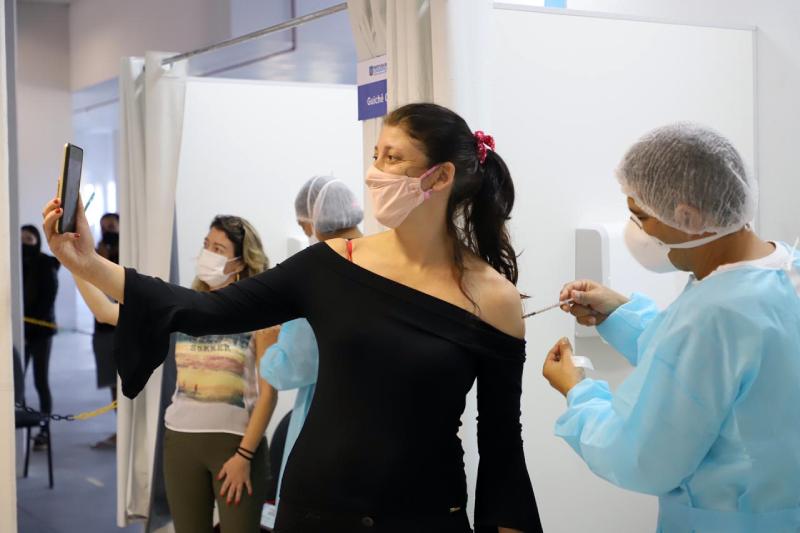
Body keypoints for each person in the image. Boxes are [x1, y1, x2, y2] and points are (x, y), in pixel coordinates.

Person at [43, 102, 542, 533]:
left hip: (426, 513)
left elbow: (501, 442)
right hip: (316, 509)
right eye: (376, 156)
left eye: (394, 158)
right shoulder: (333, 263)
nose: (376, 172)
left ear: (441, 176)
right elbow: (206, 309)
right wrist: (87, 263)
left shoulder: (491, 298)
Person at [542, 123, 800, 533]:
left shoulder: (713, 316)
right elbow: (717, 369)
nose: (640, 231)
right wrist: (620, 315)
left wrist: (578, 392)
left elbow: (642, 459)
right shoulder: (784, 269)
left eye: (642, 216)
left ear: (688, 216)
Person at [72, 215, 279, 533]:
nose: (208, 253)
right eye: (206, 245)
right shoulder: (184, 307)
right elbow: (104, 311)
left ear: (240, 262)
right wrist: (74, 263)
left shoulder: (258, 314)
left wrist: (244, 456)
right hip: (181, 441)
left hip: (237, 447)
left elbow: (268, 393)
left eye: (219, 248)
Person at [260, 176, 363, 512]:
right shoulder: (383, 262)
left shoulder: (319, 275)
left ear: (314, 219)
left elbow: (293, 367)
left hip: (325, 425)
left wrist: (268, 349)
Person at [21, 224, 60, 450]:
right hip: (21, 332)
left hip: (40, 333)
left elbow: (47, 300)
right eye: (21, 239)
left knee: (40, 380)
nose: (24, 243)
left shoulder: (46, 264)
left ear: (36, 240)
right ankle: (22, 430)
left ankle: (44, 431)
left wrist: (29, 330)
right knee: (18, 383)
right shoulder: (14, 263)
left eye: (28, 239)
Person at [91, 212, 120, 449]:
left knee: (123, 379)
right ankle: (119, 428)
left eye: (112, 227)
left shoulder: (126, 255)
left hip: (122, 326)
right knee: (110, 381)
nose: (108, 231)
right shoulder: (99, 252)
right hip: (101, 328)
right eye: (104, 228)